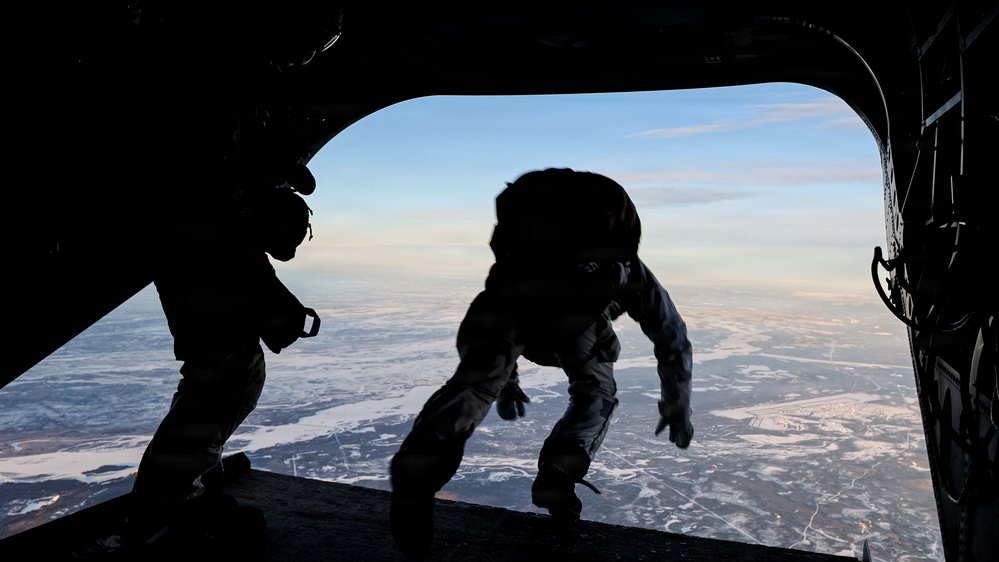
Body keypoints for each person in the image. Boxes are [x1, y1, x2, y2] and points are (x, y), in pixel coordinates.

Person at [389, 168, 693, 557]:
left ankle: (422, 464)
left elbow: (480, 334)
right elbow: (670, 333)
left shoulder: (525, 253)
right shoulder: (625, 266)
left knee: (474, 386)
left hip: (510, 309)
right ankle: (559, 471)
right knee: (596, 392)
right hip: (578, 324)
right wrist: (677, 403)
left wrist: (505, 382)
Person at [122, 182, 319, 556]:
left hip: (218, 359)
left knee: (191, 439)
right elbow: (280, 320)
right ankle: (176, 516)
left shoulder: (213, 238)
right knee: (193, 439)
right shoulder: (230, 246)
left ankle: (181, 509)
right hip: (225, 362)